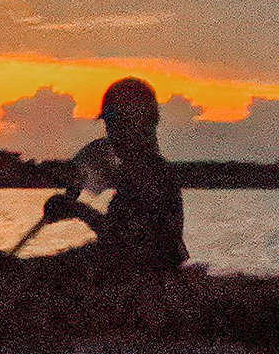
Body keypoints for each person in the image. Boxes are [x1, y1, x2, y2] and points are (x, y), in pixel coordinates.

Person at [35, 76, 185, 273]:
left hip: (144, 275)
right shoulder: (137, 169)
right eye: (111, 126)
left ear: (138, 125)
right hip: (137, 267)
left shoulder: (150, 174)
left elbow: (124, 243)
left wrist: (77, 210)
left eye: (117, 126)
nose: (112, 134)